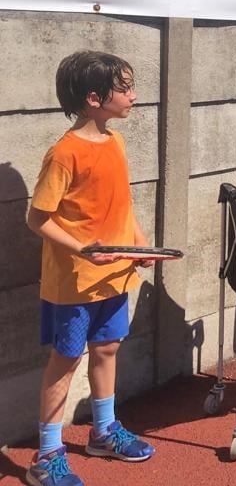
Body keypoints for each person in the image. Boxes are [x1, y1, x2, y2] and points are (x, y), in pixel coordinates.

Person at [25, 51, 156, 486]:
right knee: (64, 363)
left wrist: (138, 244)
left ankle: (103, 431)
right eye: (125, 88)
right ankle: (46, 456)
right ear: (95, 98)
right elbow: (37, 219)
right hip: (75, 284)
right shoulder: (64, 154)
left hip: (114, 275)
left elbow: (122, 205)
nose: (134, 96)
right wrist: (83, 250)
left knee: (107, 350)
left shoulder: (115, 141)